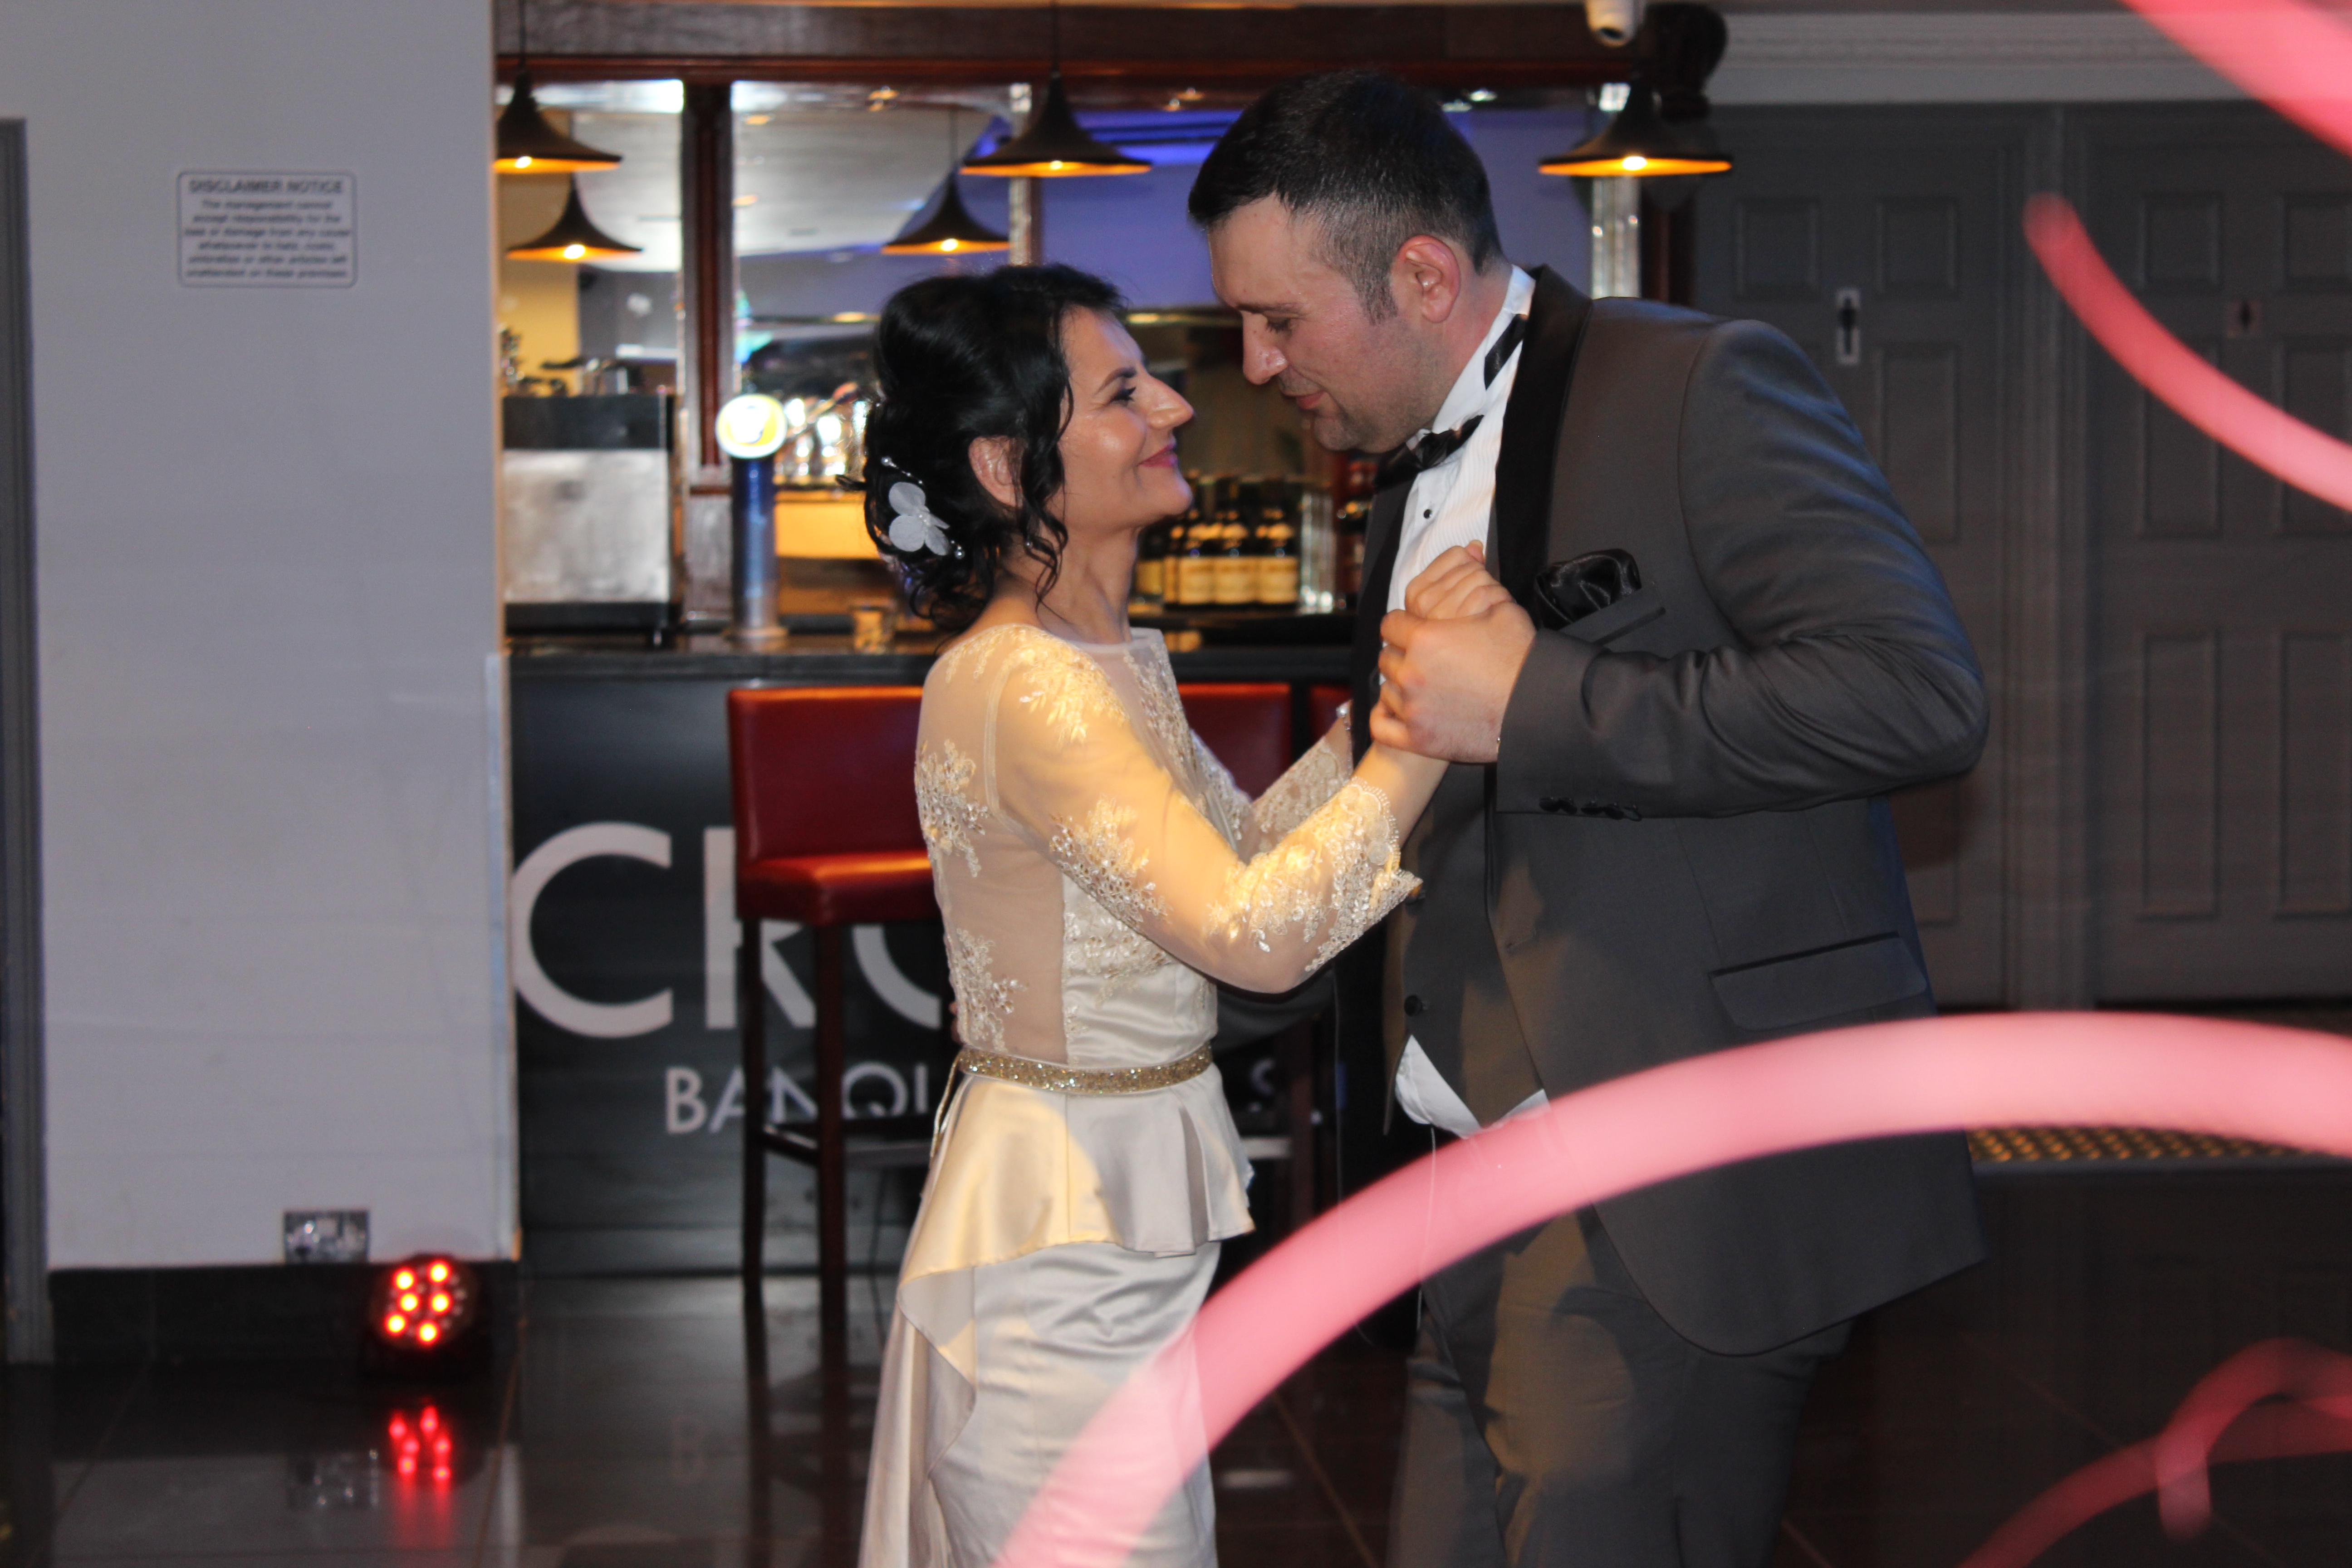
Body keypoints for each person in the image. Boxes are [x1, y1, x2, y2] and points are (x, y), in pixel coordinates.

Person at [1188, 72, 1990, 1568]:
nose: (1255, 360)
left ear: (1422, 275)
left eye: (1280, 321)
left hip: (1666, 1179)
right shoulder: (1400, 466)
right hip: (1458, 1164)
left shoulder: (1701, 385)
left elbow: (1916, 696)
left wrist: (1542, 701)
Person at [855, 264, 1496, 1568]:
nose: (1177, 408)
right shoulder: (1026, 685)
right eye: (1121, 391)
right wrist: (1428, 730)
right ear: (1003, 463)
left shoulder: (1096, 661)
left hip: (1102, 1220)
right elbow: (1257, 934)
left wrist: (1386, 705)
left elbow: (1246, 849)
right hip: (1066, 1233)